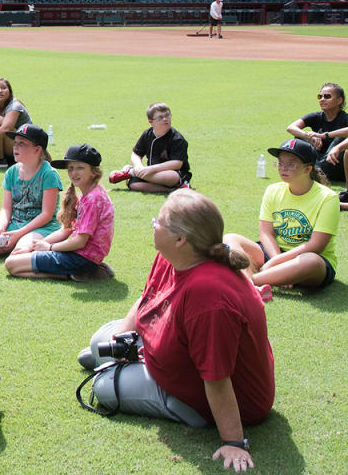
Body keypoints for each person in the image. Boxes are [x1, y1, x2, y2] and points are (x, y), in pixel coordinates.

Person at [79, 190, 273, 473]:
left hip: (215, 393)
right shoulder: (173, 256)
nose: (153, 223)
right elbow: (147, 299)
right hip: (171, 350)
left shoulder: (209, 297)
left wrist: (234, 441)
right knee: (101, 344)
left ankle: (181, 406)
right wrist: (118, 340)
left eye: (159, 220)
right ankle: (111, 361)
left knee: (103, 387)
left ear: (181, 239)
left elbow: (218, 378)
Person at [224, 138, 338, 298]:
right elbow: (266, 232)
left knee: (311, 261)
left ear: (308, 169)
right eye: (280, 163)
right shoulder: (273, 190)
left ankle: (249, 282)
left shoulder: (328, 198)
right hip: (275, 252)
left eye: (291, 164)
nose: (283, 168)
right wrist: (277, 260)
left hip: (309, 259)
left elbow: (316, 245)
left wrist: (274, 264)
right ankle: (265, 281)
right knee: (230, 238)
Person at [5, 144, 115, 280]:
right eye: (71, 168)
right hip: (81, 256)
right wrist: (36, 246)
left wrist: (50, 247)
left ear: (93, 172)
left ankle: (75, 274)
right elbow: (66, 230)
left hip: (81, 258)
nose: (74, 173)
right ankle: (78, 273)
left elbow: (80, 242)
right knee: (17, 259)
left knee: (11, 264)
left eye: (80, 168)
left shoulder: (93, 198)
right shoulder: (89, 194)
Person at [0, 124, 61, 258]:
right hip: (16, 224)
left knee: (19, 253)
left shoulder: (49, 174)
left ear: (37, 149)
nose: (15, 147)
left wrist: (19, 233)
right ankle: (19, 242)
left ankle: (28, 244)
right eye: (15, 143)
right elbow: (6, 208)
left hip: (42, 227)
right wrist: (1, 227)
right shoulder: (11, 172)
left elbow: (47, 215)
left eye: (22, 143)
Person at [109, 102, 192, 192]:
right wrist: (138, 166)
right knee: (133, 185)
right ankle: (170, 190)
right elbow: (136, 154)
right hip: (151, 174)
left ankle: (131, 172)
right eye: (160, 117)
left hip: (173, 173)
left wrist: (149, 169)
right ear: (151, 122)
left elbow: (177, 164)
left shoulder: (177, 139)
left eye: (167, 115)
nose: (165, 119)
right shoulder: (147, 135)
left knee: (171, 177)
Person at [285, 83, 348, 199]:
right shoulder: (316, 116)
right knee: (299, 138)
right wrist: (310, 136)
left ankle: (313, 170)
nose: (322, 99)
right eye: (320, 97)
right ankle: (315, 170)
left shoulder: (345, 119)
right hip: (319, 160)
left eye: (327, 96)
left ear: (339, 100)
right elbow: (291, 127)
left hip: (335, 166)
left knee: (341, 139)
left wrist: (326, 137)